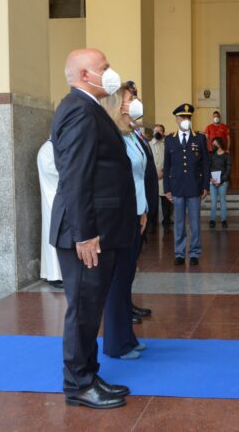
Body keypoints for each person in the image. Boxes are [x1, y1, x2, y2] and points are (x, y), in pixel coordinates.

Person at [49, 48, 135, 409]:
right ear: (86, 75)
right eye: (104, 68)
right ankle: (78, 385)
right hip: (86, 234)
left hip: (99, 230)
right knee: (83, 310)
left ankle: (88, 372)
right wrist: (84, 234)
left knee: (91, 307)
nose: (111, 73)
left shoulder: (88, 108)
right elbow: (75, 176)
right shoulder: (79, 111)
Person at [101, 83, 148, 359]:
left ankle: (127, 338)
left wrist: (142, 211)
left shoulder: (130, 135)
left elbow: (139, 177)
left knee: (127, 279)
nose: (135, 102)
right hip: (119, 217)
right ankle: (115, 344)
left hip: (135, 213)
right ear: (118, 103)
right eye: (131, 98)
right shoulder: (112, 136)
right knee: (116, 281)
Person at [163, 103, 209, 266]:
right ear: (176, 119)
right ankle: (180, 252)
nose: (185, 120)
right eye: (182, 117)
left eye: (188, 118)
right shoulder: (170, 139)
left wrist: (205, 186)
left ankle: (195, 252)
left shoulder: (200, 138)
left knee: (195, 222)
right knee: (179, 222)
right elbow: (167, 165)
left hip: (194, 186)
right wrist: (166, 188)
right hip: (176, 187)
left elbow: (205, 164)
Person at [125, 82, 154, 321]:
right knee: (124, 263)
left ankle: (128, 302)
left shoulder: (136, 134)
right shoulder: (121, 135)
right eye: (130, 98)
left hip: (140, 206)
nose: (135, 101)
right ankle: (122, 306)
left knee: (132, 261)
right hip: (129, 207)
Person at [36, 139, 63, 288]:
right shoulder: (48, 149)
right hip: (52, 197)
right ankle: (54, 275)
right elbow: (53, 172)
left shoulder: (54, 147)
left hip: (57, 197)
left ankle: (54, 273)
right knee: (53, 235)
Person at [150, 124, 171, 227]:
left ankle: (167, 220)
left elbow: (170, 160)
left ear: (163, 132)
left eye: (160, 131)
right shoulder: (148, 145)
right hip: (152, 176)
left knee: (166, 200)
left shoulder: (168, 144)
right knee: (153, 200)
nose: (157, 133)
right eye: (155, 131)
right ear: (153, 132)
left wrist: (163, 171)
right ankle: (153, 222)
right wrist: (154, 172)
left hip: (165, 175)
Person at [208, 136, 231, 228]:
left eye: (215, 143)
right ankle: (212, 220)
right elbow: (208, 167)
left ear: (220, 144)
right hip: (212, 181)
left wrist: (221, 180)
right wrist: (210, 178)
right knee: (213, 202)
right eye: (213, 143)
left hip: (223, 182)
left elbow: (228, 169)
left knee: (222, 201)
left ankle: (224, 220)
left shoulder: (226, 155)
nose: (214, 145)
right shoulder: (211, 155)